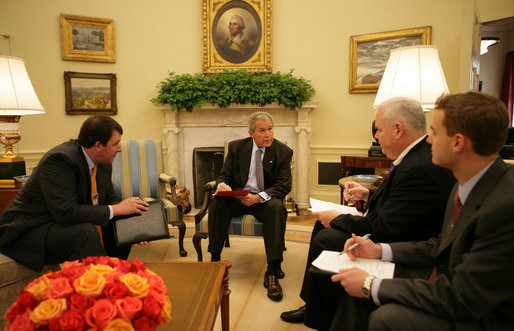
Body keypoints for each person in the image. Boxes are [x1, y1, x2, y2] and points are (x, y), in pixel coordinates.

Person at [330, 92, 514, 330]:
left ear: (457, 142)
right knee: (358, 293)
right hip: (448, 279)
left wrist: (372, 284)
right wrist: (379, 250)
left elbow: (465, 297)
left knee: (384, 316)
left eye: (435, 133)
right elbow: (440, 244)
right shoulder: (465, 183)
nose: (427, 141)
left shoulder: (504, 207)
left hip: (480, 314)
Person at [281, 97, 456, 326]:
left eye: (379, 130)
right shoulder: (414, 157)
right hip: (395, 229)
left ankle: (320, 314)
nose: (376, 136)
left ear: (397, 130)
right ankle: (313, 304)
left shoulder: (419, 167)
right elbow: (401, 204)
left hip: (400, 241)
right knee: (322, 226)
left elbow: (384, 227)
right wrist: (368, 195)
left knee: (327, 235)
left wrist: (339, 218)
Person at [0, 115, 149, 272]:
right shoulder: (60, 160)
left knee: (119, 228)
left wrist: (132, 224)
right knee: (85, 233)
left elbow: (109, 199)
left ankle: (111, 278)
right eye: (116, 144)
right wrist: (117, 209)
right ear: (98, 145)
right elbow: (66, 213)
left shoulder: (102, 161)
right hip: (28, 232)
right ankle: (105, 282)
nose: (120, 149)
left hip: (56, 225)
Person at [208, 111, 292, 301]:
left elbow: (284, 185)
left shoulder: (283, 152)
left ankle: (272, 271)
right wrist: (222, 184)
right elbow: (224, 175)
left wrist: (259, 197)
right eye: (262, 131)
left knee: (277, 207)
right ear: (251, 133)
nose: (268, 134)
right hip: (239, 198)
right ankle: (215, 259)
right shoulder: (237, 148)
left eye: (270, 129)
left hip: (264, 201)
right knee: (218, 202)